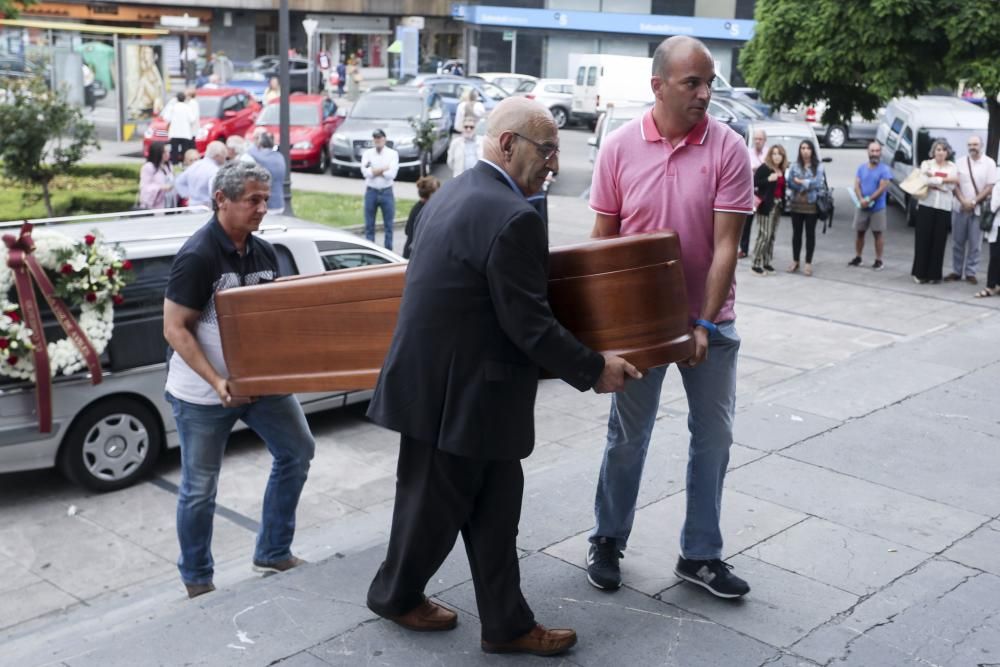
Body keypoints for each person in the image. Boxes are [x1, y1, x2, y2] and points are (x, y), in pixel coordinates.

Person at [365, 96, 639, 657]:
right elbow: (530, 324)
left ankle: (505, 624)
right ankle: (395, 596)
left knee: (492, 507)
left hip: (443, 387)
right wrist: (594, 370)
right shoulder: (513, 215)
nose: (555, 164)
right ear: (509, 144)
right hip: (464, 396)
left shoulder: (456, 192)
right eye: (549, 149)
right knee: (434, 512)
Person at [585, 35, 754, 600]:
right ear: (657, 86)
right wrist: (606, 335)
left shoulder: (729, 147)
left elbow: (726, 246)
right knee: (628, 436)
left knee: (715, 437)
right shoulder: (618, 147)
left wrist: (704, 324)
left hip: (710, 321)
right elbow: (603, 245)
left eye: (709, 83)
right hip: (640, 328)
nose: (705, 93)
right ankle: (607, 539)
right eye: (693, 83)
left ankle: (700, 555)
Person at [162, 160, 314, 599]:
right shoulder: (198, 256)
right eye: (253, 200)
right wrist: (216, 381)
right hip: (201, 395)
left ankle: (272, 550)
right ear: (221, 200)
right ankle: (197, 579)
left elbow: (274, 318)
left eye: (265, 199)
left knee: (297, 450)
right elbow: (175, 328)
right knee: (199, 487)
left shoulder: (264, 252)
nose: (262, 208)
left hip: (259, 385)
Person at [946, 135, 996, 284]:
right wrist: (963, 201)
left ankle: (971, 272)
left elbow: (990, 187)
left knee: (975, 243)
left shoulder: (989, 163)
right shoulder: (960, 162)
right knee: (957, 241)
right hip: (960, 207)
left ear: (981, 145)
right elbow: (954, 184)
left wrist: (974, 201)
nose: (972, 147)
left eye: (975, 144)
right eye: (970, 144)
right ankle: (956, 271)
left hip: (978, 209)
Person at [912, 139, 959, 284]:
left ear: (947, 152)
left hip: (943, 208)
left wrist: (935, 179)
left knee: (939, 241)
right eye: (938, 149)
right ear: (934, 151)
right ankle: (919, 273)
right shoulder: (926, 164)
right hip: (926, 205)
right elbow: (925, 181)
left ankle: (934, 275)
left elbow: (952, 187)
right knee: (922, 240)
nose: (941, 152)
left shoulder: (952, 166)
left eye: (944, 150)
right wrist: (944, 180)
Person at [847, 140, 894, 270]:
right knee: (859, 232)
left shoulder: (885, 170)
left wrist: (868, 199)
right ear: (868, 152)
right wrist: (861, 199)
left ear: (880, 153)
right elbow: (856, 184)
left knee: (877, 233)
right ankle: (858, 257)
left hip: (877, 208)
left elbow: (882, 188)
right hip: (862, 206)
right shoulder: (861, 168)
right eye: (872, 151)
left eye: (877, 151)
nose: (875, 153)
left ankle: (879, 260)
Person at [786, 140, 825, 276]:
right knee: (796, 234)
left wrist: (801, 182)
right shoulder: (795, 166)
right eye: (802, 148)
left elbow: (817, 183)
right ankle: (795, 260)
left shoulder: (818, 166)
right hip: (796, 204)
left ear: (812, 150)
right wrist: (806, 184)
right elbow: (790, 183)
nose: (805, 151)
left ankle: (808, 262)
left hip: (811, 205)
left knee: (810, 234)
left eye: (808, 148)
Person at [750, 144, 788, 275]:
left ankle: (766, 262)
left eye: (780, 154)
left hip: (777, 205)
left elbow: (782, 189)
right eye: (774, 153)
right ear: (770, 155)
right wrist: (768, 179)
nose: (777, 156)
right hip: (766, 205)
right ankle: (755, 263)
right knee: (764, 235)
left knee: (771, 236)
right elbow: (754, 182)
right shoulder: (765, 168)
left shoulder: (781, 170)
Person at [361, 129, 399, 249]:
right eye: (375, 138)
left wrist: (375, 171)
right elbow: (366, 173)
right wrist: (383, 169)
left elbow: (391, 175)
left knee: (388, 226)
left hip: (386, 192)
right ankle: (370, 251)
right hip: (371, 191)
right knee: (369, 226)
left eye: (379, 138)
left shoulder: (392, 154)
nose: (377, 140)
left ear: (384, 139)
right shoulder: (367, 154)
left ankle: (388, 252)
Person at [741, 128, 768, 258]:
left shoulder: (768, 154)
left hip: (764, 192)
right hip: (750, 192)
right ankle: (744, 249)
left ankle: (762, 251)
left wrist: (757, 169)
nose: (758, 141)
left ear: (765, 140)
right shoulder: (747, 152)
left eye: (760, 139)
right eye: (756, 139)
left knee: (764, 224)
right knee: (746, 224)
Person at [176, 141, 227, 208]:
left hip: (192, 206)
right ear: (217, 155)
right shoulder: (214, 170)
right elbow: (213, 191)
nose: (225, 158)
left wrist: (188, 196)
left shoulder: (195, 165)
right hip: (207, 208)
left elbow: (178, 182)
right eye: (224, 155)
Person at [402, 175, 439, 259]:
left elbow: (407, 230)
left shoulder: (417, 207)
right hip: (415, 257)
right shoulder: (426, 211)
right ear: (431, 194)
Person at [247, 131, 286, 211]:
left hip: (268, 204)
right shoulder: (279, 156)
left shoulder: (259, 157)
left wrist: (255, 142)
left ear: (259, 143)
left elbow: (250, 150)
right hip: (280, 201)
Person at [976, 178, 1000, 297]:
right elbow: (994, 205)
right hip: (998, 226)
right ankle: (991, 285)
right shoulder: (998, 186)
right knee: (995, 256)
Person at [128, 44, 165, 119]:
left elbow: (147, 65)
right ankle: (135, 107)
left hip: (151, 78)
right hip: (150, 78)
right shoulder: (146, 50)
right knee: (143, 86)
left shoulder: (146, 50)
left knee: (148, 90)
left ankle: (135, 107)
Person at [138, 141, 175, 210]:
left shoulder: (169, 166)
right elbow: (144, 188)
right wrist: (161, 188)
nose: (168, 154)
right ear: (157, 153)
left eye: (168, 151)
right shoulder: (148, 167)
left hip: (169, 204)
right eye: (164, 152)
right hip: (154, 207)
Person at [164, 91, 198, 165]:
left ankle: (174, 164)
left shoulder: (173, 107)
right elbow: (192, 119)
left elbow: (167, 118)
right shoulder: (187, 107)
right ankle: (184, 163)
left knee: (174, 150)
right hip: (185, 133)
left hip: (174, 133)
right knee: (185, 150)